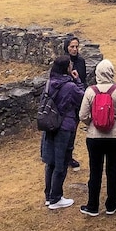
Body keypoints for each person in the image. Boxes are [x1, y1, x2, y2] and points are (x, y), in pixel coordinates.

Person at [77, 59, 116, 217]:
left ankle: (93, 205)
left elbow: (82, 115)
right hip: (115, 136)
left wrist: (92, 123)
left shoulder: (90, 91)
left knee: (95, 171)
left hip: (94, 137)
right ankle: (111, 204)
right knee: (113, 170)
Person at [40, 54, 84, 210]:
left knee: (50, 162)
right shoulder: (70, 86)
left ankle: (48, 195)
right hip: (64, 127)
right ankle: (56, 198)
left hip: (50, 125)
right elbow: (83, 99)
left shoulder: (49, 83)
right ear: (67, 68)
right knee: (62, 162)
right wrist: (77, 80)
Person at [64, 35, 87, 171]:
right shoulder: (62, 62)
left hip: (77, 102)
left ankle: (69, 157)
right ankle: (61, 157)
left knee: (73, 131)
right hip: (65, 102)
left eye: (76, 46)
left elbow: (82, 80)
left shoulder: (81, 61)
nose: (74, 49)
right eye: (72, 46)